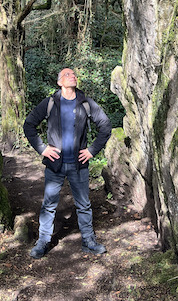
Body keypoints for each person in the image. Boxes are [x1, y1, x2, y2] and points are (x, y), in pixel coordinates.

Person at [23, 67, 112, 259]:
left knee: (84, 204)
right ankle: (43, 242)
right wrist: (42, 148)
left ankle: (89, 241)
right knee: (48, 204)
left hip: (79, 165)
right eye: (67, 75)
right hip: (55, 164)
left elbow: (105, 125)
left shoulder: (86, 103)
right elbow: (29, 125)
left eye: (73, 75)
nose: (72, 77)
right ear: (59, 82)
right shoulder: (50, 103)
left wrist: (91, 150)